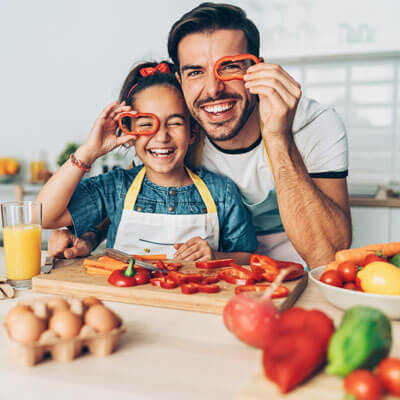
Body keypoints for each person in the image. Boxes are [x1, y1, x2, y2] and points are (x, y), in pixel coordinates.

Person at [48, 2, 351, 269]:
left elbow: (327, 256)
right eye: (195, 72)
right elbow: (132, 192)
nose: (213, 89)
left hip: (295, 273)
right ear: (180, 81)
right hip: (217, 282)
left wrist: (278, 135)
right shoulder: (185, 128)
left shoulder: (315, 125)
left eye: (229, 67)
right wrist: (85, 233)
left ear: (256, 69)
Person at [36, 61, 258, 263]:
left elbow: (248, 257)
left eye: (175, 123)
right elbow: (42, 216)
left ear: (193, 132)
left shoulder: (222, 192)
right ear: (129, 131)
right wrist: (89, 151)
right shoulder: (115, 187)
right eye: (145, 124)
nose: (161, 137)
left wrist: (215, 256)